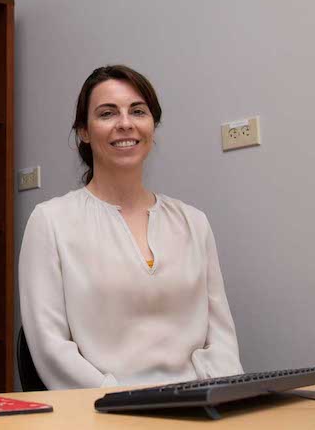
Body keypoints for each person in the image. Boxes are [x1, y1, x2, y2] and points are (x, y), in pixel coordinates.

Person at [18, 65, 243, 390]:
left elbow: (222, 337)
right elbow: (50, 347)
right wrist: (116, 400)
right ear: (84, 131)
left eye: (137, 111)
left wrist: (223, 398)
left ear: (152, 124)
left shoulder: (194, 222)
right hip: (105, 411)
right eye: (107, 113)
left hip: (198, 406)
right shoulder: (50, 222)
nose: (125, 124)